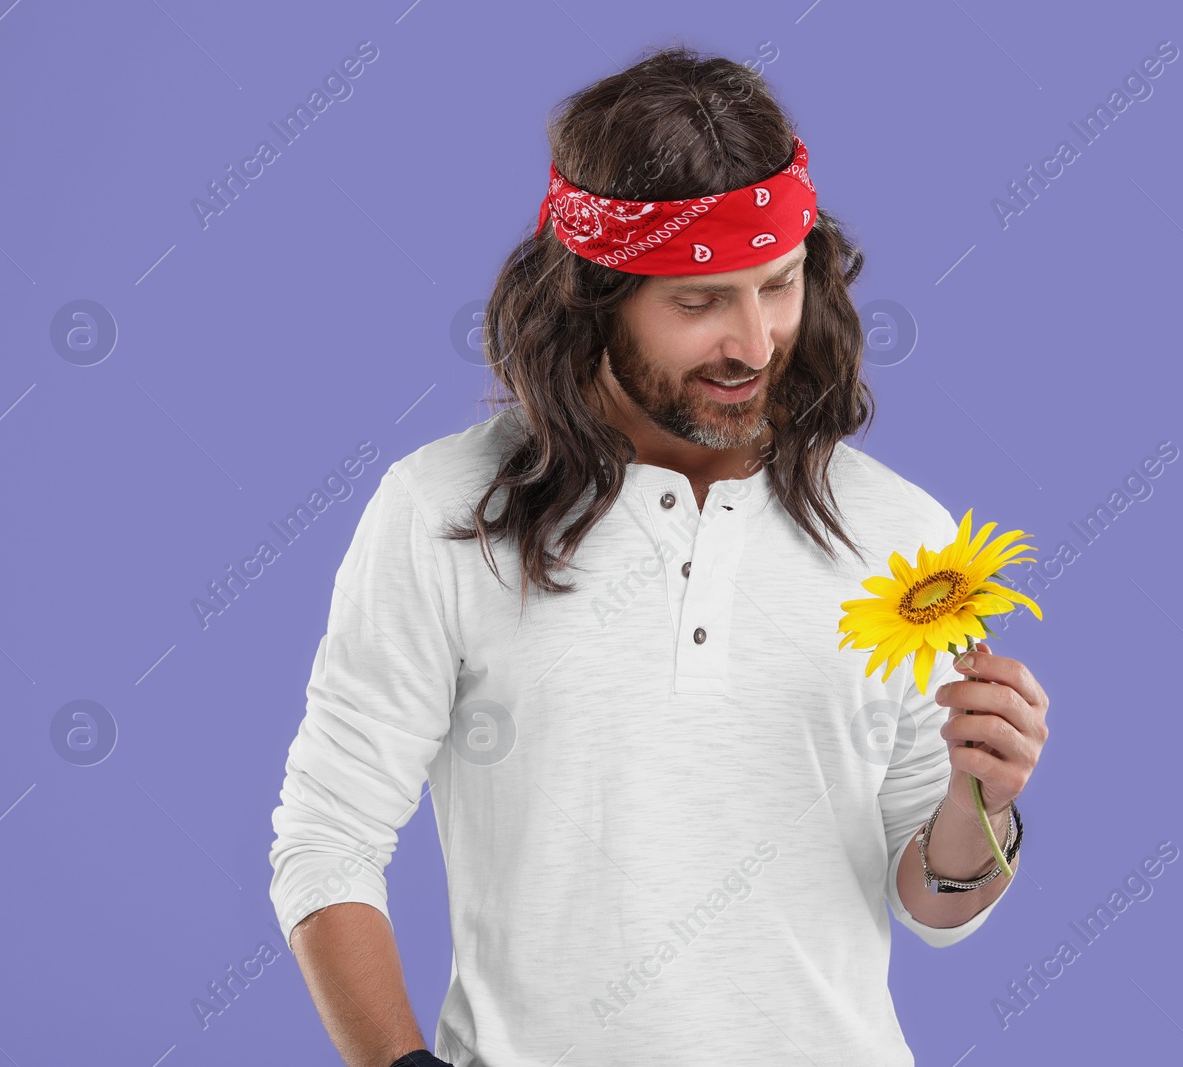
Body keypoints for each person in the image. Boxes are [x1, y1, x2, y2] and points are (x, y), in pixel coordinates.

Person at [267, 44, 1051, 1067]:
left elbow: (937, 905)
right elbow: (327, 838)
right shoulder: (443, 513)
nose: (755, 341)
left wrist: (977, 802)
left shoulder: (900, 536)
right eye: (698, 301)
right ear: (593, 295)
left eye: (778, 284)